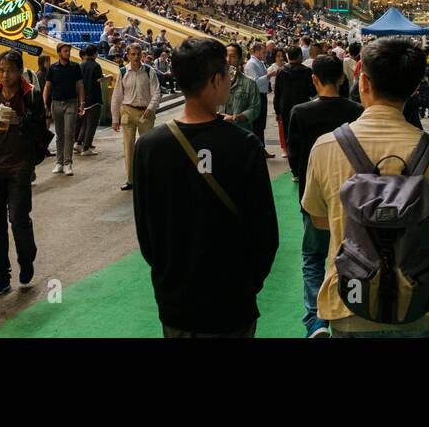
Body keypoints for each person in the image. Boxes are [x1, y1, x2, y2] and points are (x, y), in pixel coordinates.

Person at [302, 38, 429, 337]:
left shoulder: (326, 147)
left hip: (352, 304)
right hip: (427, 305)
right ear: (416, 88)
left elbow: (318, 219)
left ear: (363, 81)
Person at [132, 38, 279, 337]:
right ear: (215, 80)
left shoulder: (148, 147)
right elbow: (264, 233)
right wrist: (247, 285)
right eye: (226, 73)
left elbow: (147, 234)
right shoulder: (244, 146)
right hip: (231, 303)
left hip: (176, 303)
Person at [287, 54, 362, 337]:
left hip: (314, 193)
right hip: (353, 194)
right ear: (343, 79)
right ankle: (347, 307)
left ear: (314, 79)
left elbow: (294, 157)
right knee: (351, 253)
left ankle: (316, 318)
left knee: (313, 255)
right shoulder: (356, 110)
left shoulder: (300, 112)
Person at [0, 50, 52, 296]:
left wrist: (20, 121)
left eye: (11, 70)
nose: (5, 75)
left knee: (18, 219)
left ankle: (26, 260)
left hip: (19, 167)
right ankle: (0, 276)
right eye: (1, 70)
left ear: (20, 71)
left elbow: (40, 132)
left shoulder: (31, 96)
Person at [111, 43, 160, 190]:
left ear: (142, 54)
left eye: (138, 54)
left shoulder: (149, 71)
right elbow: (117, 96)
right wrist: (115, 119)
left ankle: (147, 177)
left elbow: (156, 92)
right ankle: (130, 180)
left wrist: (151, 108)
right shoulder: (122, 72)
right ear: (128, 55)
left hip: (146, 113)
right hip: (128, 111)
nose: (136, 57)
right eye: (133, 54)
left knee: (147, 147)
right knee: (128, 147)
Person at [44, 43, 85, 176]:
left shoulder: (75, 67)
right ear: (59, 53)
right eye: (65, 51)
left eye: (69, 51)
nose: (68, 53)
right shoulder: (52, 68)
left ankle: (68, 163)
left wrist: (82, 102)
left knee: (69, 133)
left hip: (71, 103)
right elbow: (47, 86)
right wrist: (45, 103)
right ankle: (59, 162)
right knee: (59, 134)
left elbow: (80, 85)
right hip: (56, 103)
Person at [273, 45, 315, 159]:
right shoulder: (306, 71)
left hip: (285, 107)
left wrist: (277, 111)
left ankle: (292, 158)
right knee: (302, 133)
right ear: (300, 56)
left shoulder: (281, 71)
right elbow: (312, 91)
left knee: (288, 133)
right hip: (302, 106)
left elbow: (277, 92)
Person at [222, 42, 265, 141]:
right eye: (226, 56)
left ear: (240, 59)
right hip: (220, 134)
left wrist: (235, 118)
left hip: (242, 135)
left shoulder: (250, 83)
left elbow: (255, 109)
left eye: (232, 56)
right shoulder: (215, 83)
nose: (228, 60)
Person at [243, 41, 272, 155]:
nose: (265, 54)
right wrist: (269, 75)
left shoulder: (260, 62)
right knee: (257, 124)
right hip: (257, 96)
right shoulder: (251, 64)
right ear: (256, 52)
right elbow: (254, 82)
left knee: (261, 125)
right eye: (263, 52)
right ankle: (257, 150)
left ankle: (261, 149)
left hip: (262, 95)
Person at [76, 45, 105, 156]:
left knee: (84, 123)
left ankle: (78, 143)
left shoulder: (80, 65)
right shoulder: (96, 65)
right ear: (95, 54)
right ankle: (86, 148)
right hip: (94, 98)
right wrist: (108, 77)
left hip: (83, 98)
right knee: (91, 124)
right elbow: (99, 79)